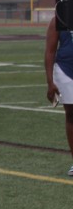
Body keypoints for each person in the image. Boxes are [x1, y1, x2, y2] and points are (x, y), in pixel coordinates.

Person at [45, 17, 73, 176]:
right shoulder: (59, 19)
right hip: (66, 69)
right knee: (71, 115)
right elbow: (50, 51)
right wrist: (50, 82)